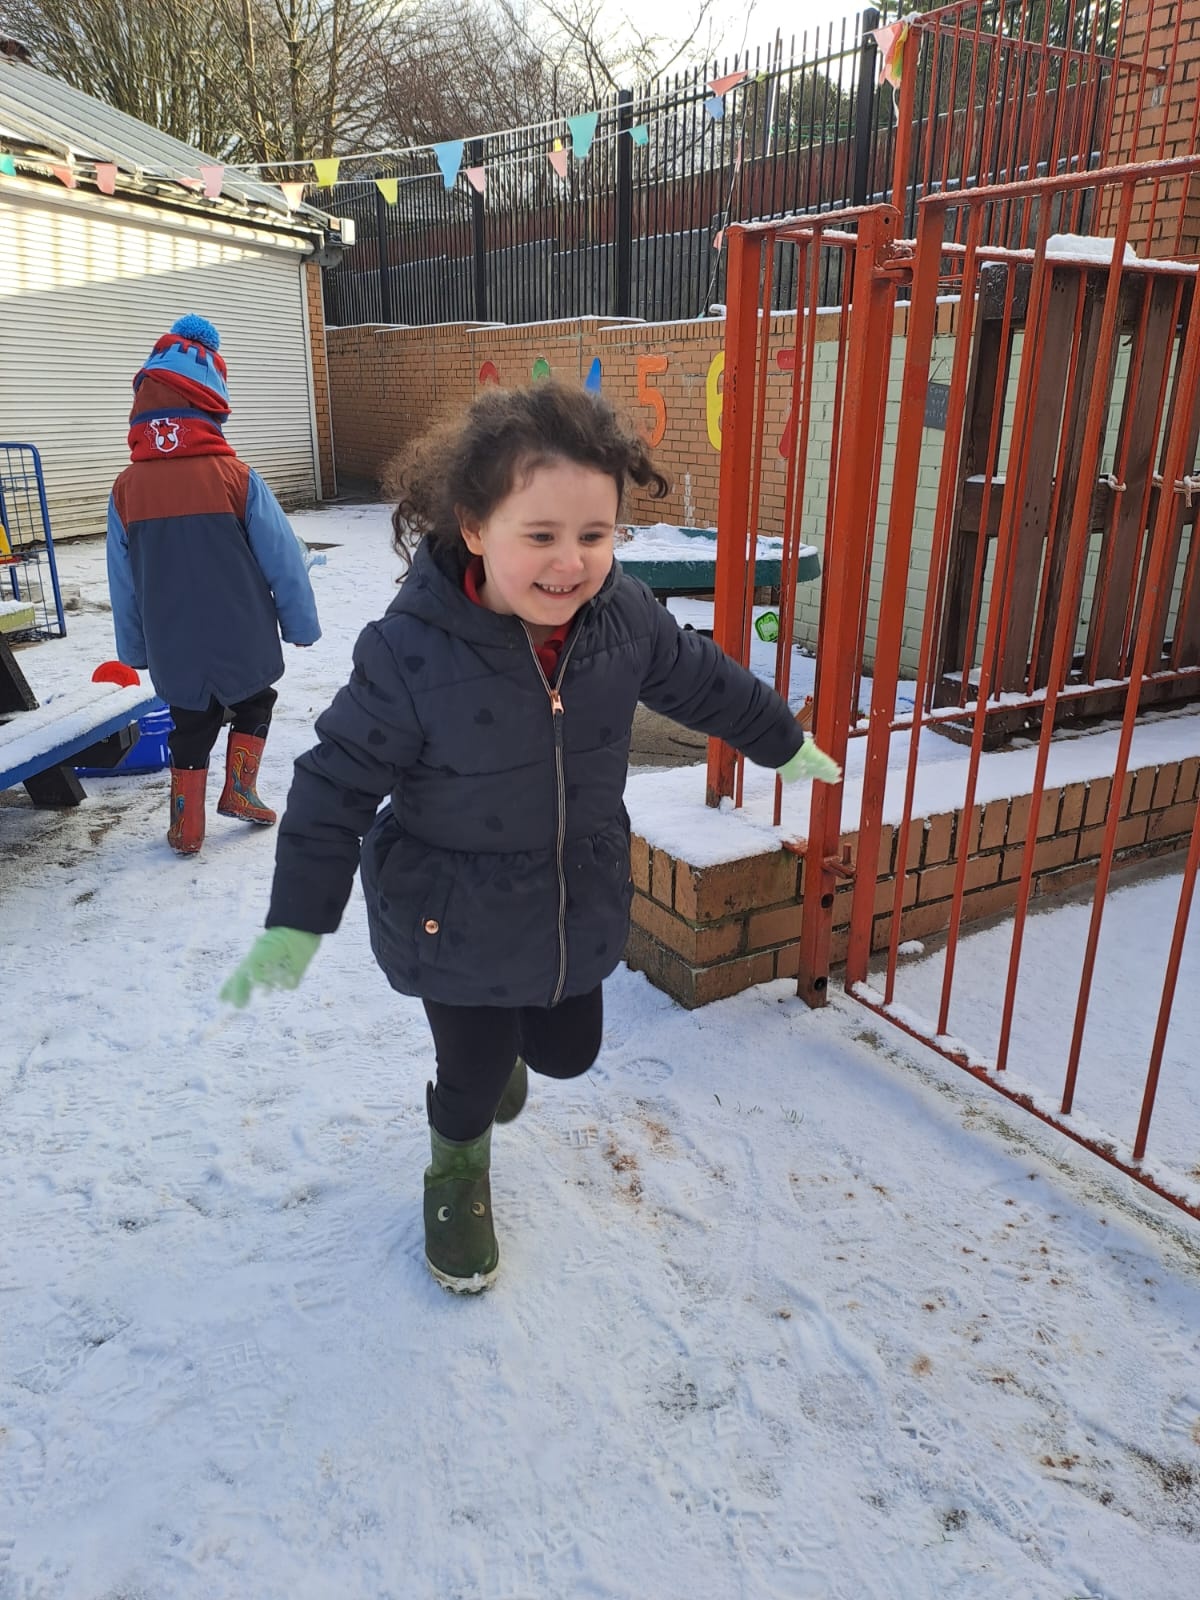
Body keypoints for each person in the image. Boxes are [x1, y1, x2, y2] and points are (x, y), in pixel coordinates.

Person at [220, 382, 840, 1293]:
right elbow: (332, 786)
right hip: (452, 921)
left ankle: (502, 1060)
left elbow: (706, 681)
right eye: (540, 535)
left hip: (569, 896)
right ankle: (455, 1167)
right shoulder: (411, 652)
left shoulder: (624, 620)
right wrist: (297, 920)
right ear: (475, 528)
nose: (570, 562)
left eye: (595, 534)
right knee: (473, 1077)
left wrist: (782, 741)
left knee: (567, 1052)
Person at [106, 314, 321, 856]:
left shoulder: (126, 490)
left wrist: (134, 648)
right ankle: (241, 790)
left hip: (171, 638)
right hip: (242, 629)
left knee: (190, 724)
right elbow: (283, 559)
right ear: (209, 405)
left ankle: (186, 826)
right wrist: (299, 622)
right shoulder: (235, 478)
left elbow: (123, 581)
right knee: (256, 701)